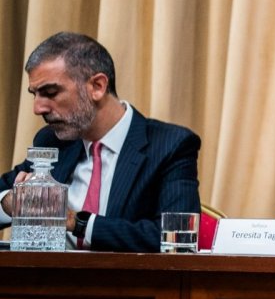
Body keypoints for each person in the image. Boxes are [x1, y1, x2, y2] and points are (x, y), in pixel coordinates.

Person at [0, 32, 202, 252]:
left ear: (97, 86)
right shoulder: (52, 141)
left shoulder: (170, 145)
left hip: (121, 274)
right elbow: (7, 193)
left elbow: (177, 239)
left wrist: (75, 221)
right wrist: (9, 203)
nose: (38, 108)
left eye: (50, 92)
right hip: (44, 274)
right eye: (35, 95)